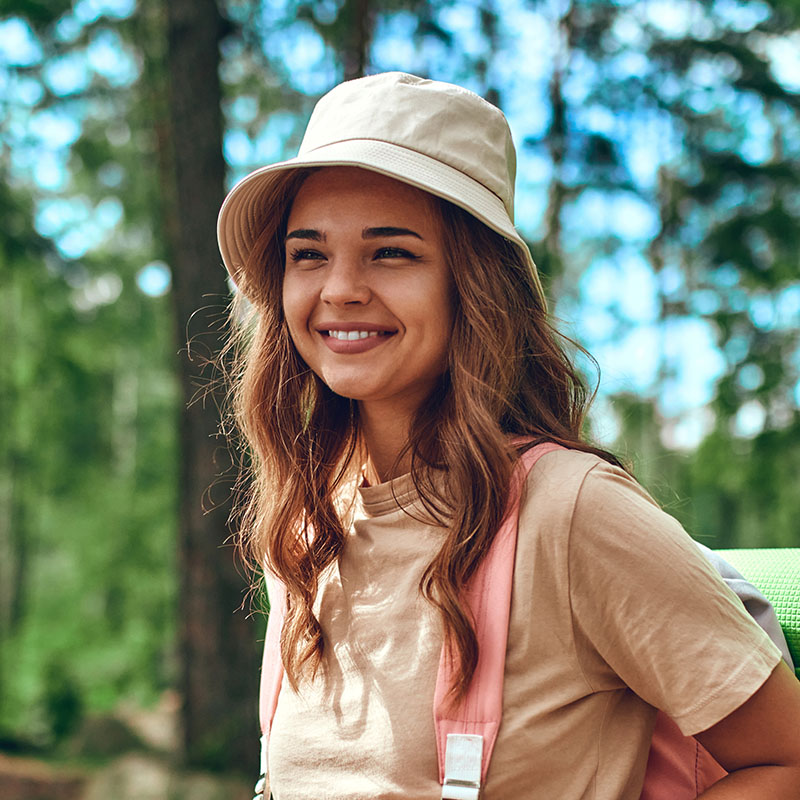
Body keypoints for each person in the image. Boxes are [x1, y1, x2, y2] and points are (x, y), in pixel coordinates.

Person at [217, 72, 800, 799]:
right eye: (308, 254)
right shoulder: (307, 523)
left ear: (475, 284)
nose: (339, 288)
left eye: (390, 252)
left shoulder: (571, 513)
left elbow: (786, 761)